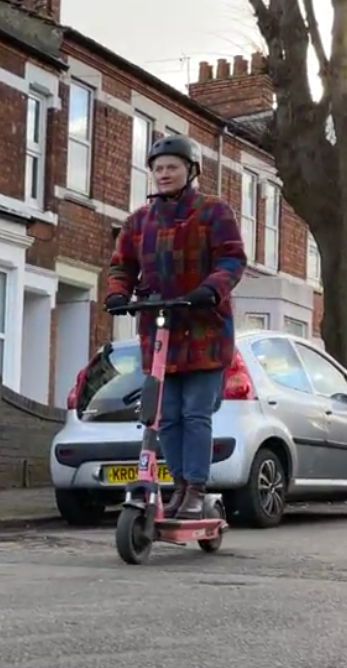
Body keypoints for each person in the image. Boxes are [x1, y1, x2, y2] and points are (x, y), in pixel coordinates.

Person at [103, 134, 248, 519]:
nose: (164, 174)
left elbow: (232, 259)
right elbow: (122, 264)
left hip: (204, 330)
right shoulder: (139, 222)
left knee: (195, 414)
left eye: (172, 167)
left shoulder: (214, 212)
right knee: (164, 415)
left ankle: (197, 489)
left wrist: (210, 289)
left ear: (191, 170)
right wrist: (118, 293)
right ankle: (179, 487)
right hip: (159, 332)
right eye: (158, 169)